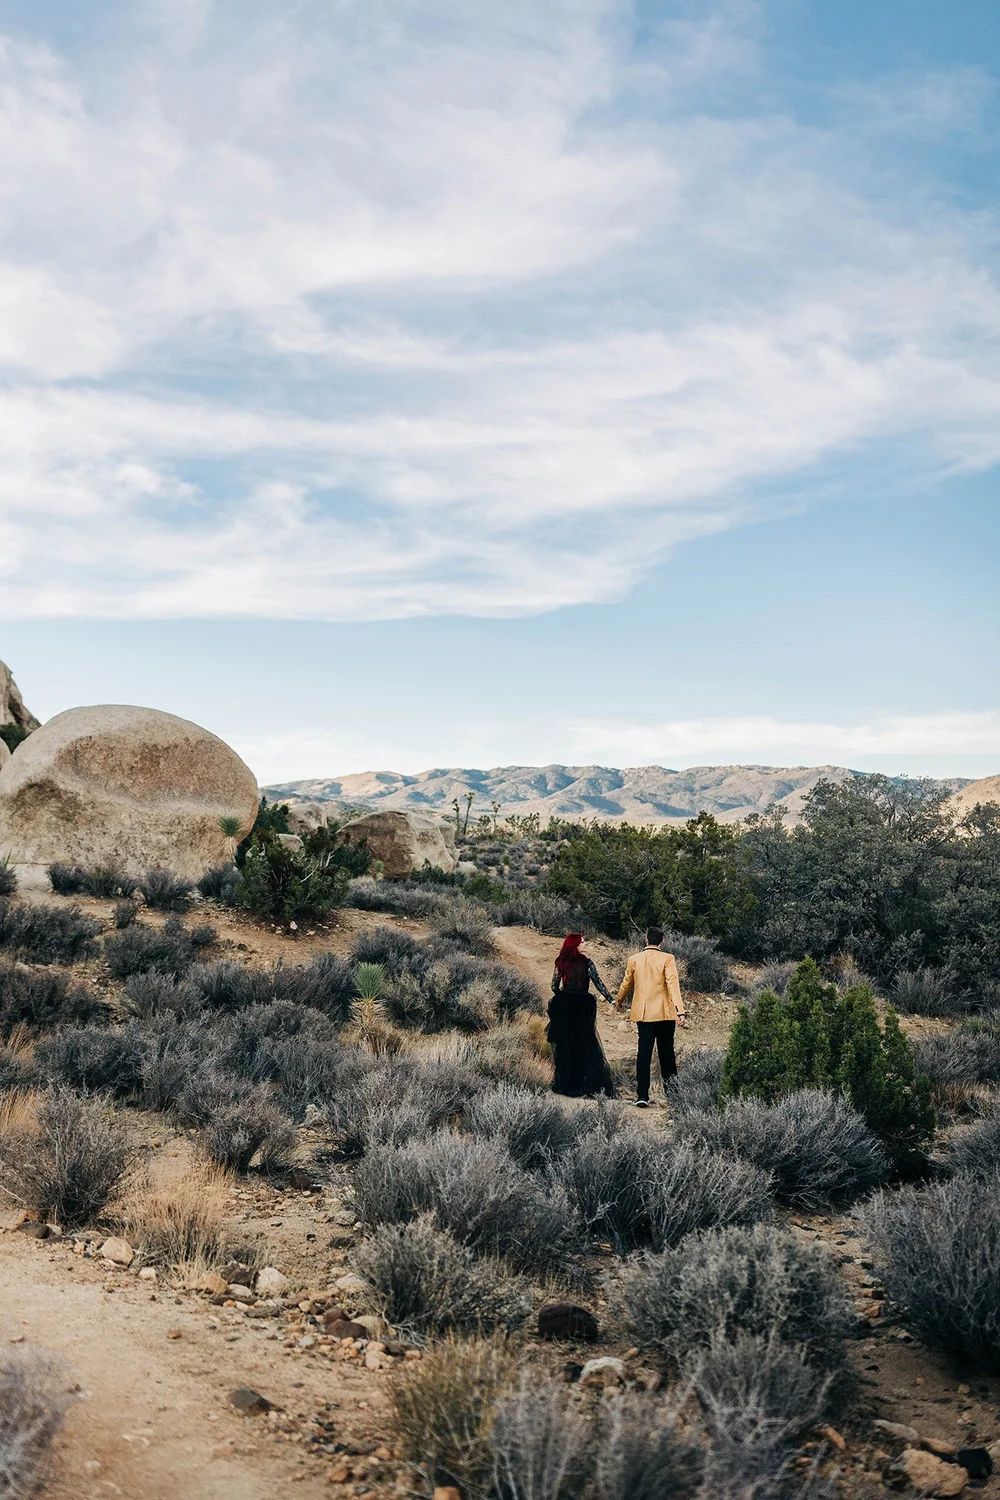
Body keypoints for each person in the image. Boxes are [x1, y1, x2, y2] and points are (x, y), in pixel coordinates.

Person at [615, 926, 687, 1107]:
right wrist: (680, 1011)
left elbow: (626, 983)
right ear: (661, 942)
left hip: (644, 1013)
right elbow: (673, 985)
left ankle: (642, 1096)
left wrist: (618, 1001)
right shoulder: (668, 959)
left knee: (643, 1054)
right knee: (667, 1054)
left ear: (646, 940)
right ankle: (673, 1095)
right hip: (665, 1013)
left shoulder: (634, 959)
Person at [548, 933, 616, 1098]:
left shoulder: (561, 963)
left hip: (566, 1005)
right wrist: (611, 1000)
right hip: (583, 1005)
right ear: (575, 945)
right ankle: (583, 1083)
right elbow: (597, 982)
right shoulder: (587, 963)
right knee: (584, 1042)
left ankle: (567, 1082)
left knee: (566, 1043)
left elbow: (554, 985)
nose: (585, 945)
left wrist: (562, 996)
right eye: (583, 942)